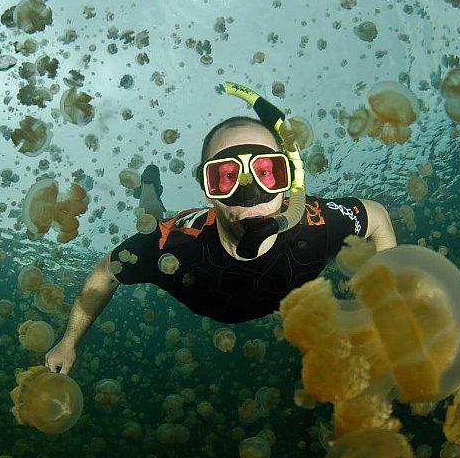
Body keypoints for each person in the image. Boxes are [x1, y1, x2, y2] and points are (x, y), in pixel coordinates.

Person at [46, 83, 396, 374]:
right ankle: (149, 190)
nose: (248, 193)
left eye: (266, 171)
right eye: (226, 176)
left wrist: (387, 300)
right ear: (207, 188)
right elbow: (108, 270)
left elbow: (377, 216)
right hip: (184, 240)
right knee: (154, 217)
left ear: (289, 179)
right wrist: (68, 341)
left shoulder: (318, 222)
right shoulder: (176, 243)